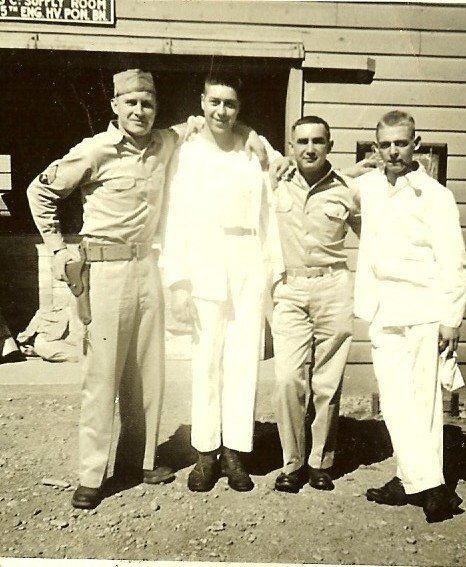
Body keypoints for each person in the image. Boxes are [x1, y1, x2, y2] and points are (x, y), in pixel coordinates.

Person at [27, 69, 266, 509]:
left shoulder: (167, 142)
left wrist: (254, 136)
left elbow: (218, 123)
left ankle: (140, 462)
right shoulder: (94, 150)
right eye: (131, 103)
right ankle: (91, 475)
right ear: (115, 106)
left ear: (156, 108)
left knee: (147, 377)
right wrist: (58, 248)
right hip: (104, 271)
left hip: (147, 268)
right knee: (102, 378)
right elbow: (39, 193)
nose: (139, 111)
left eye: (147, 104)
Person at [163, 72, 283, 493]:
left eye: (230, 103)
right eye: (214, 102)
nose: (221, 110)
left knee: (243, 360)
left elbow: (270, 210)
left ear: (239, 109)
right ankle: (205, 452)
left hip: (248, 260)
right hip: (204, 261)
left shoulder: (254, 150)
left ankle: (235, 451)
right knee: (206, 361)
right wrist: (178, 280)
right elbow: (176, 218)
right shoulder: (187, 153)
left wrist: (273, 274)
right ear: (202, 102)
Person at [353, 110, 466, 522]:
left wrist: (451, 317)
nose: (393, 152)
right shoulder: (368, 187)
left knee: (424, 401)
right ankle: (423, 483)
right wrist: (356, 168)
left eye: (401, 143)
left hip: (424, 308)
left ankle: (422, 485)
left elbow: (453, 259)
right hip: (383, 307)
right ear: (376, 148)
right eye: (385, 145)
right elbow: (333, 187)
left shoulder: (435, 196)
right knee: (395, 400)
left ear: (415, 144)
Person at [271, 116, 360, 493]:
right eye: (302, 141)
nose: (310, 149)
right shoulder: (274, 182)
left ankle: (320, 461)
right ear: (291, 146)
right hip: (290, 288)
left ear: (330, 145)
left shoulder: (348, 190)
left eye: (318, 141)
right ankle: (292, 462)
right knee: (287, 378)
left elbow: (374, 238)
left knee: (327, 381)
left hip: (333, 287)